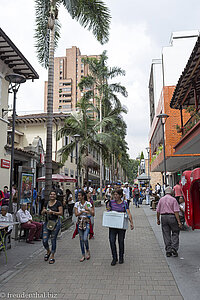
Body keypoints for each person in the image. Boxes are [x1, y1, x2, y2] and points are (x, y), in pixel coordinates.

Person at [107, 189, 134, 266]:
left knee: (120, 241)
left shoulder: (124, 203)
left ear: (120, 195)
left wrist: (131, 222)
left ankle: (121, 257)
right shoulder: (111, 203)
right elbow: (108, 211)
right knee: (112, 241)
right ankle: (114, 258)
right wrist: (108, 207)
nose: (115, 196)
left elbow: (128, 213)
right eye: (114, 194)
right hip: (112, 225)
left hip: (121, 226)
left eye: (116, 194)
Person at [156, 186, 182, 257]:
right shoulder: (173, 200)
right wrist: (179, 222)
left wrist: (158, 219)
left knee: (166, 233)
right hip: (172, 217)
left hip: (163, 217)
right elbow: (176, 211)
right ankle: (174, 247)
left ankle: (168, 250)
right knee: (175, 232)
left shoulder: (161, 199)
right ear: (172, 193)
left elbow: (158, 211)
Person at [42, 190, 63, 264]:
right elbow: (42, 212)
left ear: (56, 196)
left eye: (54, 194)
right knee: (44, 240)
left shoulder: (58, 203)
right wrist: (44, 211)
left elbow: (61, 213)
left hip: (56, 223)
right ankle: (48, 251)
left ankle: (52, 255)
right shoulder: (46, 203)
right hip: (47, 222)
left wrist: (53, 212)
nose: (52, 195)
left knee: (53, 239)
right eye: (51, 194)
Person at [74, 190, 94, 262]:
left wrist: (87, 209)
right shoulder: (77, 204)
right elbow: (76, 214)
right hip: (79, 222)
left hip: (87, 222)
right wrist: (82, 212)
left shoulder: (88, 203)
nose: (78, 197)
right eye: (78, 195)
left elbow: (92, 213)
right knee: (81, 239)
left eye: (79, 195)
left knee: (85, 238)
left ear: (83, 196)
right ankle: (83, 254)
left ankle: (87, 250)